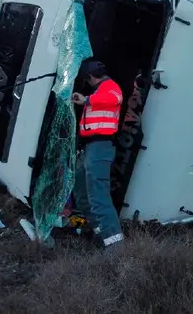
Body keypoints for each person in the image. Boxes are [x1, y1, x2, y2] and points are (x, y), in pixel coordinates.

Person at [71, 59, 125, 248]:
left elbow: (115, 99)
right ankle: (100, 233)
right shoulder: (98, 91)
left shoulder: (110, 87)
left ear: (89, 77)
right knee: (81, 190)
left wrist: (86, 100)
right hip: (89, 148)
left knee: (98, 197)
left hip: (100, 147)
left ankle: (115, 247)